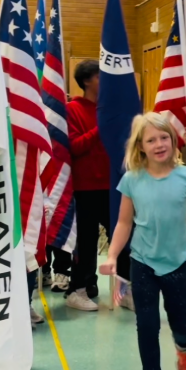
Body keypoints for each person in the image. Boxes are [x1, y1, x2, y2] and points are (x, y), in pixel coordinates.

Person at [98, 112, 186, 370]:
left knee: (182, 320)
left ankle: (184, 349)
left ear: (173, 140)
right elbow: (124, 222)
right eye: (151, 139)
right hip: (142, 262)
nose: (159, 144)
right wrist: (113, 255)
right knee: (147, 325)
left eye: (164, 137)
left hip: (178, 263)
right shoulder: (132, 179)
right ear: (141, 146)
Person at [65, 60, 131, 310]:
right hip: (85, 188)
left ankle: (124, 290)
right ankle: (78, 289)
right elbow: (74, 147)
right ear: (86, 81)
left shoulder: (111, 109)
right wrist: (99, 130)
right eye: (100, 77)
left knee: (123, 236)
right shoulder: (72, 109)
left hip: (114, 185)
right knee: (86, 240)